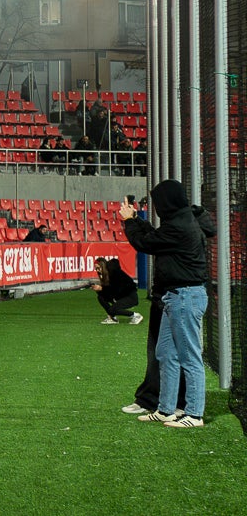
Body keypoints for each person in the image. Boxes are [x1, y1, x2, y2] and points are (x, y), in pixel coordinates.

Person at [121, 181, 209, 425]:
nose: (157, 207)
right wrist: (136, 220)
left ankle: (194, 413)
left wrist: (129, 221)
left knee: (189, 357)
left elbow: (146, 243)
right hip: (175, 297)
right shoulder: (181, 220)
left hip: (185, 296)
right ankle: (166, 409)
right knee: (166, 353)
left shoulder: (180, 225)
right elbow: (154, 236)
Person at [95, 257, 140, 325]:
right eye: (96, 269)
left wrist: (102, 289)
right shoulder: (106, 275)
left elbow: (115, 289)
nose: (97, 270)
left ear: (103, 266)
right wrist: (99, 290)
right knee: (100, 297)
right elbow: (108, 293)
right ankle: (113, 318)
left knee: (112, 310)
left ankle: (135, 315)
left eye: (98, 268)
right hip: (120, 297)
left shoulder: (114, 273)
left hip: (130, 297)